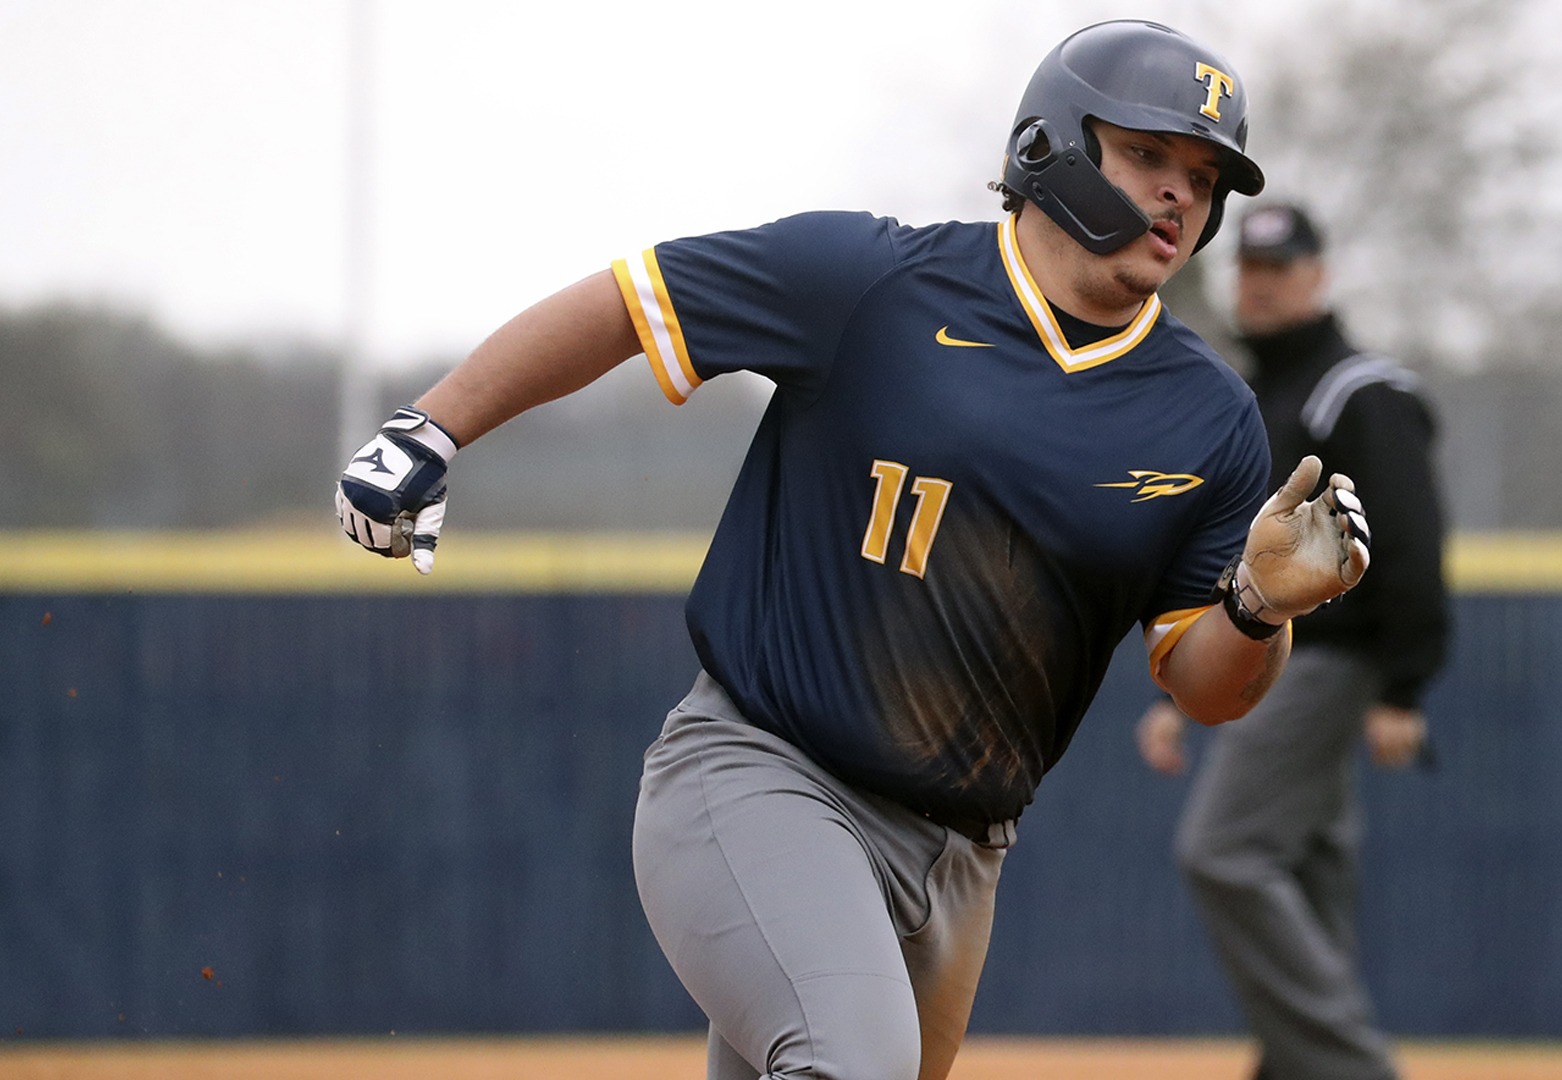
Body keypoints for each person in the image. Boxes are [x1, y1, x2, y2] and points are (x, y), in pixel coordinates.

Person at [335, 22, 1371, 1080]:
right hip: (764, 775)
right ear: (1051, 144)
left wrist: (1255, 606)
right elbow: (629, 302)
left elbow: (1208, 690)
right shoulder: (872, 281)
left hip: (965, 857)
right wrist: (432, 426)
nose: (1178, 195)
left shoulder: (1207, 416)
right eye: (1146, 153)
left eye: (1202, 176)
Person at [1135, 201, 1450, 1080]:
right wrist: (1181, 690)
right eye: (1249, 267)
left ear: (1318, 275)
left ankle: (1350, 1067)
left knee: (1224, 851)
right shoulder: (1254, 396)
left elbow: (1415, 550)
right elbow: (1224, 559)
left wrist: (1403, 689)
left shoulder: (1358, 391)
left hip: (1329, 662)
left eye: (1279, 268)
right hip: (1259, 658)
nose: (1259, 284)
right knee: (1310, 878)